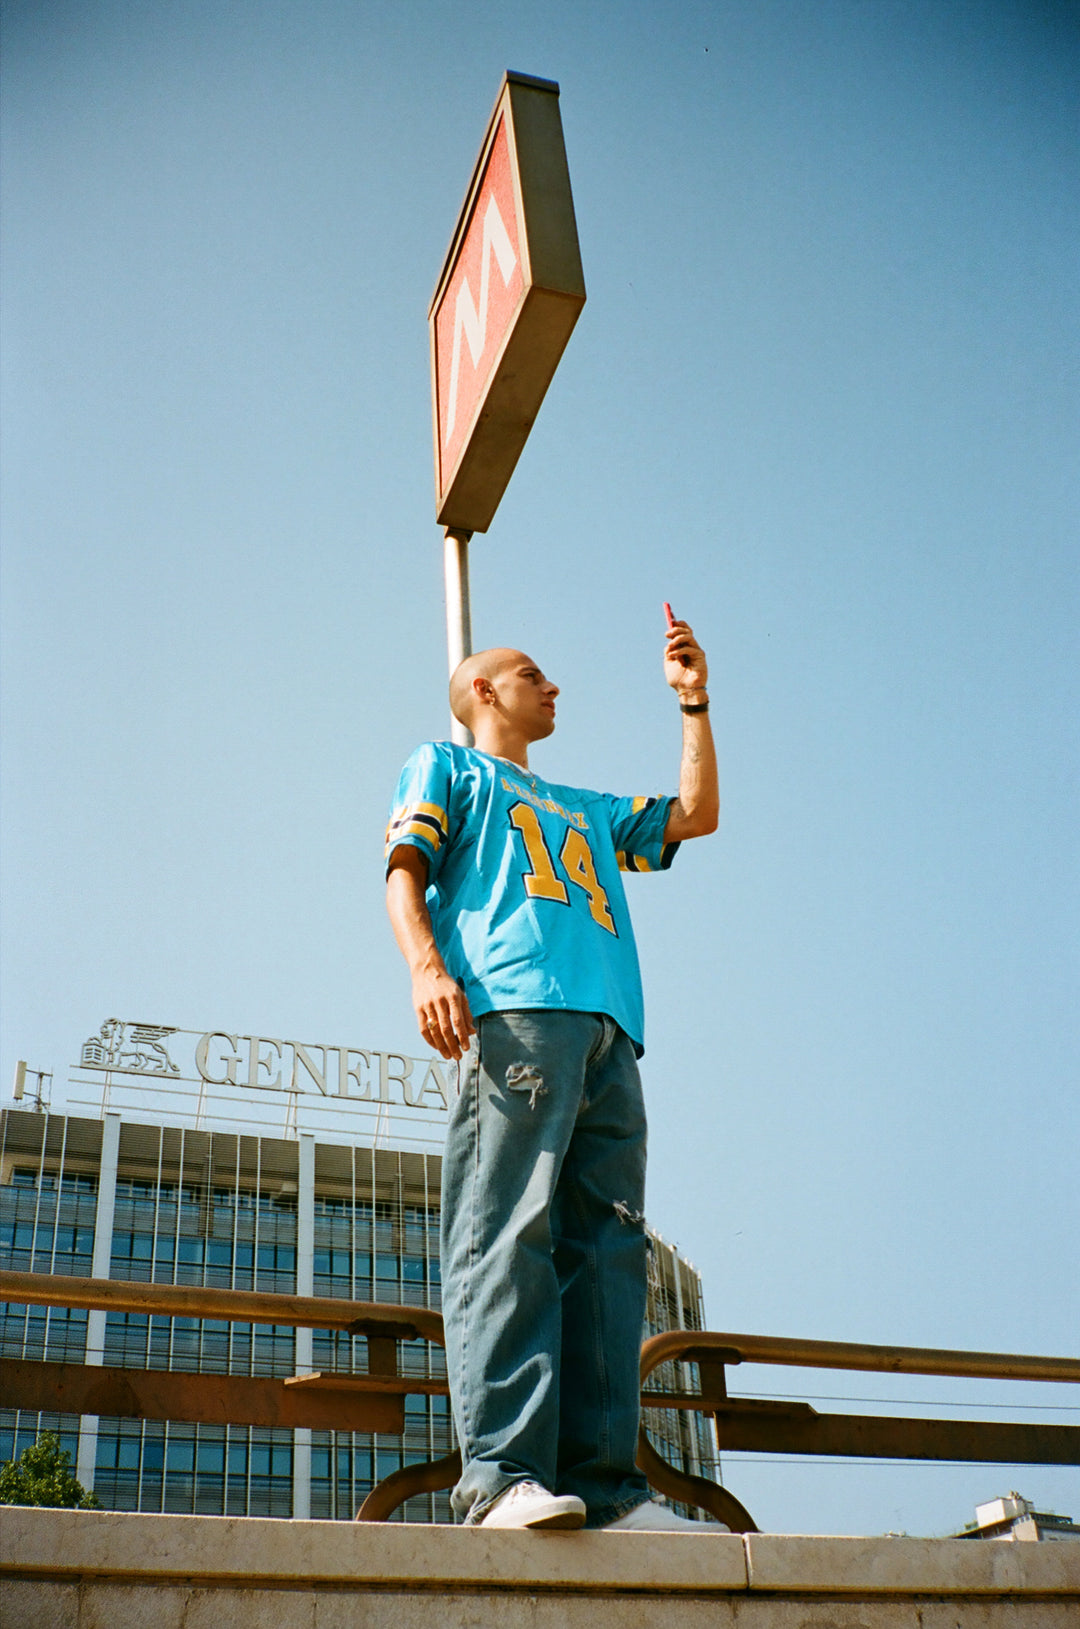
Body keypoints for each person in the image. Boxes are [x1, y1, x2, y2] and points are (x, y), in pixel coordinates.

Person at [384, 617, 720, 1530]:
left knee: (609, 1252)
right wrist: (427, 967)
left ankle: (608, 1487)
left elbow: (692, 817)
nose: (554, 685)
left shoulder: (583, 803)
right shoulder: (447, 769)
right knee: (508, 1230)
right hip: (516, 1011)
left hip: (612, 1030)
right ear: (484, 693)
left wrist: (693, 700)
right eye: (533, 673)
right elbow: (402, 870)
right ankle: (500, 1475)